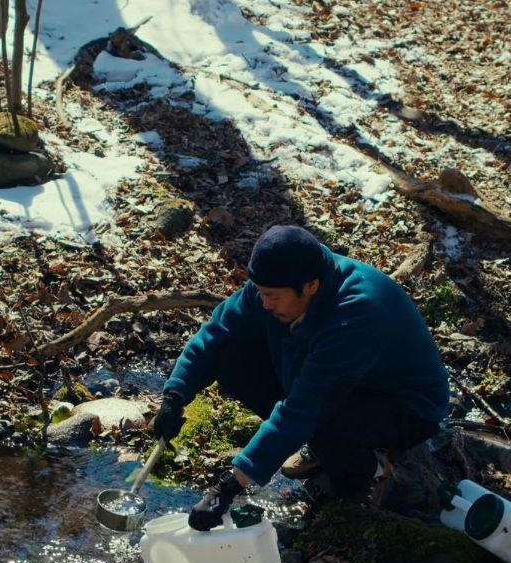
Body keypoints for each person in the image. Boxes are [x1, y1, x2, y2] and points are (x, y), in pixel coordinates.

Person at [151, 225, 450, 531]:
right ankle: (317, 446)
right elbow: (216, 335)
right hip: (335, 379)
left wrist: (229, 485)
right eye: (260, 292)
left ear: (310, 286)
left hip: (405, 404)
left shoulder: (356, 313)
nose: (264, 304)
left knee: (325, 427)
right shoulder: (275, 286)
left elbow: (305, 406)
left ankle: (371, 471)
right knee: (231, 357)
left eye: (272, 297)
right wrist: (174, 396)